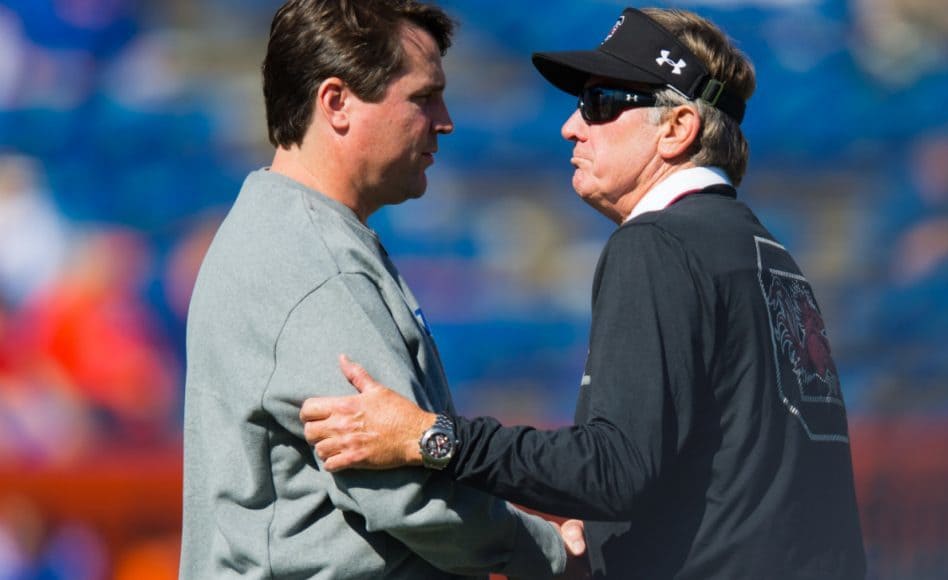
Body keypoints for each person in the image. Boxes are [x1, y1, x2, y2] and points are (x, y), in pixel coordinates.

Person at [300, 6, 867, 580]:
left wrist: (431, 437)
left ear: (677, 129)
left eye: (601, 104)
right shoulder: (768, 255)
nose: (572, 127)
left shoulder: (659, 243)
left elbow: (614, 469)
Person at [180, 1, 584, 578]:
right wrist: (552, 554)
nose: (444, 120)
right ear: (336, 102)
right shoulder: (313, 265)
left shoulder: (282, 228)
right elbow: (405, 494)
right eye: (423, 97)